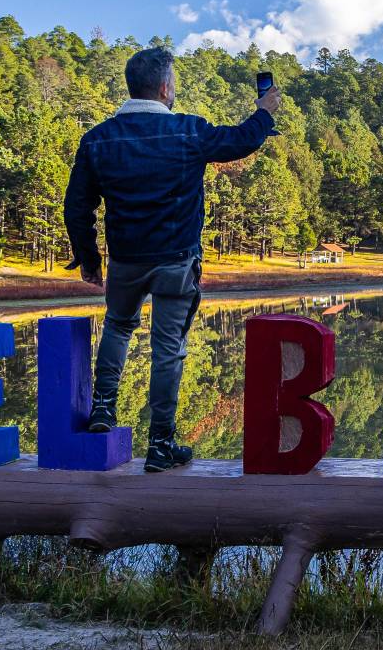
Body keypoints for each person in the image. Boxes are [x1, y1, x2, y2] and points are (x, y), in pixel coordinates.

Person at [62, 46, 280, 471]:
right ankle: (160, 446)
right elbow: (240, 140)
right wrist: (264, 112)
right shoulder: (187, 132)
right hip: (177, 261)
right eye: (174, 81)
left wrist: (89, 260)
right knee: (168, 350)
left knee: (118, 328)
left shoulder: (98, 140)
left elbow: (77, 207)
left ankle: (103, 411)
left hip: (125, 260)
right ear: (164, 87)